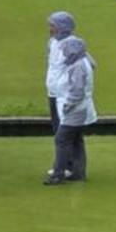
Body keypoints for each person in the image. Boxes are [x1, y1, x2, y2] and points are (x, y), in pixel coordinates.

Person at [48, 33, 94, 184]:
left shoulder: (77, 66)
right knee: (76, 140)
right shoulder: (81, 61)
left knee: (61, 140)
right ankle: (78, 172)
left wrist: (68, 105)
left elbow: (77, 90)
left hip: (75, 110)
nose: (64, 52)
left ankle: (58, 174)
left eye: (66, 49)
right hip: (79, 109)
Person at [45, 13, 76, 141]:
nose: (50, 29)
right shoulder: (52, 42)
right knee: (58, 133)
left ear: (62, 27)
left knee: (66, 135)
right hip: (52, 93)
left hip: (65, 96)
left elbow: (89, 64)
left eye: (53, 25)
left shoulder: (72, 44)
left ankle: (69, 161)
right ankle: (65, 160)